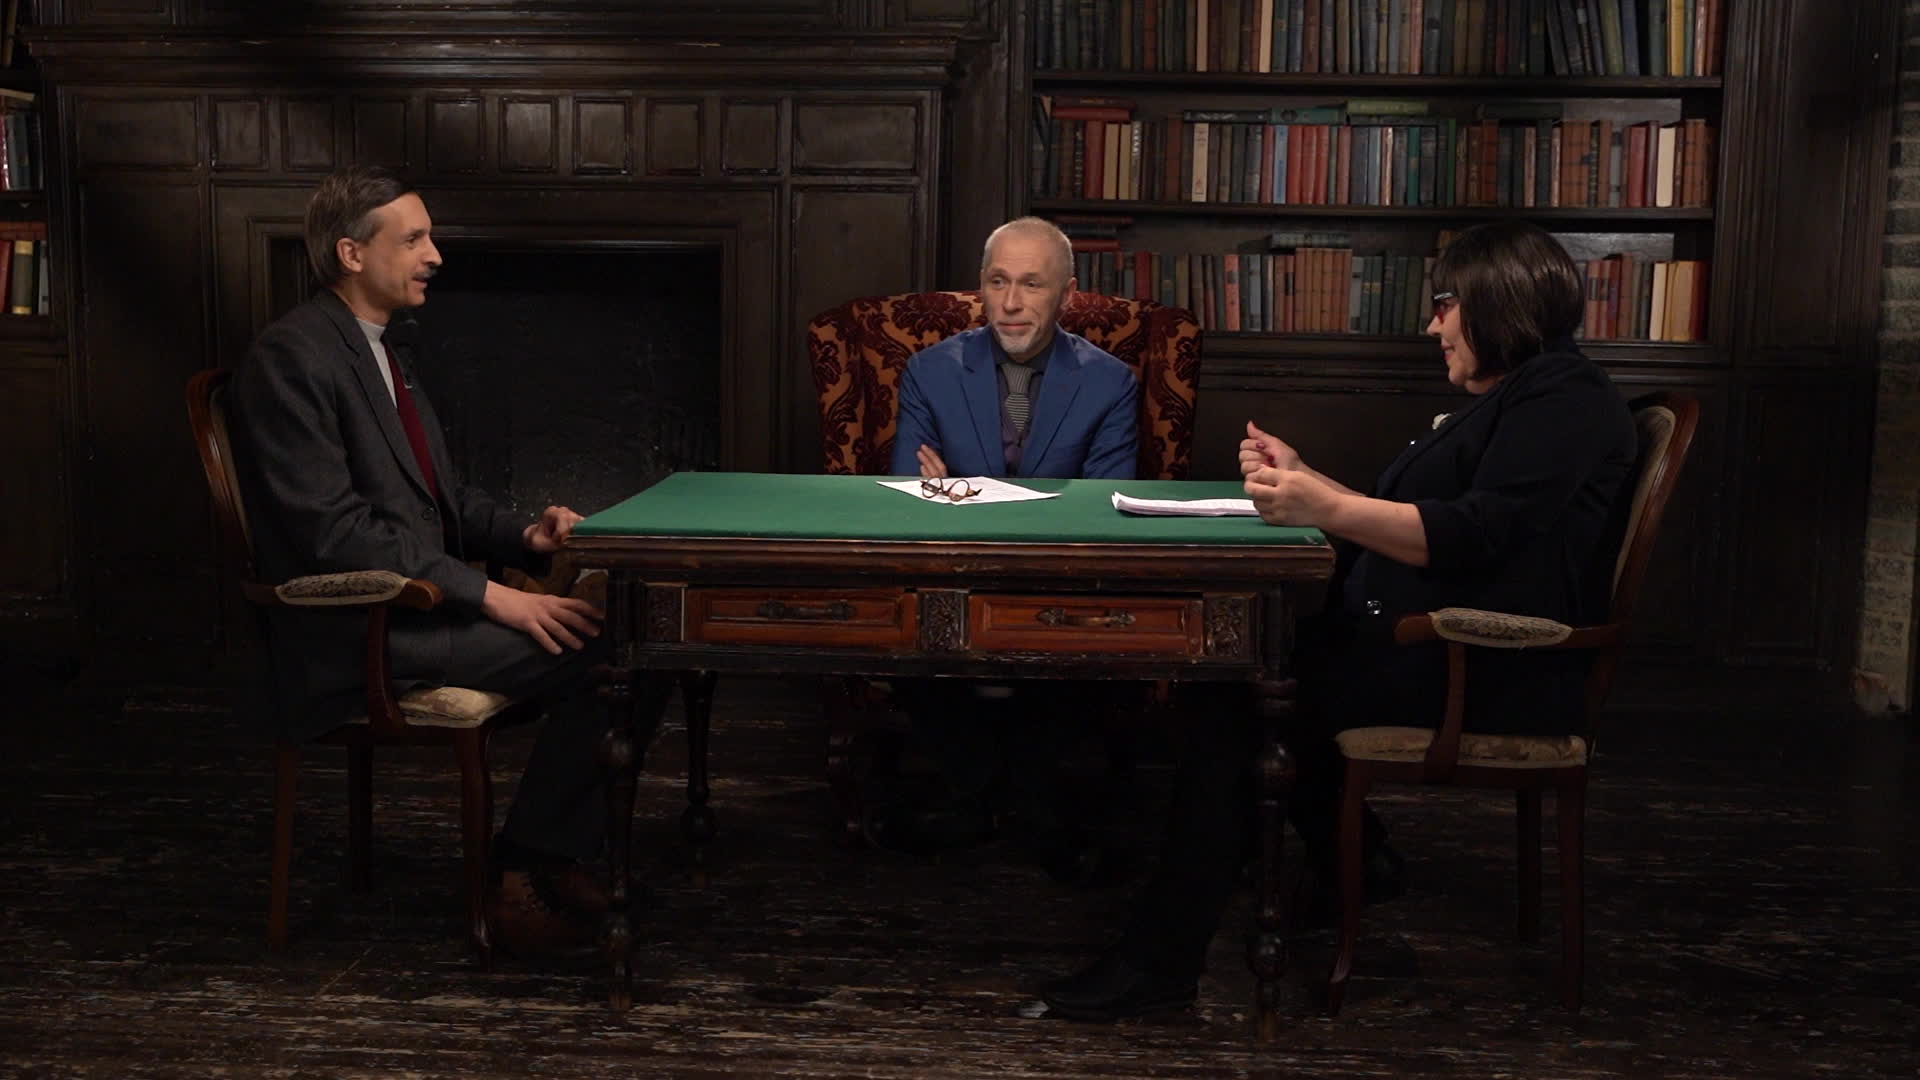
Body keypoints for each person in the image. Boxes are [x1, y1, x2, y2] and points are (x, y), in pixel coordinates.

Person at [1040, 220, 1640, 1021]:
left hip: (1484, 666)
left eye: (1445, 303)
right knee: (1247, 680)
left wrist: (1322, 507)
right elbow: (1425, 516)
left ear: (1497, 302)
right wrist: (1309, 480)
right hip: (1430, 648)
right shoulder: (1526, 395)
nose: (1433, 325)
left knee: (1237, 702)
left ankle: (1159, 962)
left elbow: (1472, 535)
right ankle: (1358, 861)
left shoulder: (1564, 399)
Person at [229, 166, 613, 965]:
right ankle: (524, 874)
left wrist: (525, 538)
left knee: (625, 638)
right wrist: (495, 598)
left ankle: (547, 856)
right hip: (353, 634)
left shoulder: (382, 353)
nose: (434, 255)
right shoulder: (290, 358)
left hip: (414, 611)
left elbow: (443, 502)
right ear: (351, 253)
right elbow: (335, 535)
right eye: (413, 240)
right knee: (606, 654)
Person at [865, 217, 1140, 882]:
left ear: (1066, 295)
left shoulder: (1111, 383)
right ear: (981, 288)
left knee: (1084, 642)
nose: (1012, 303)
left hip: (1060, 579)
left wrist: (962, 488)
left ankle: (992, 804)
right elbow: (912, 493)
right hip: (950, 574)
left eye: (1031, 285)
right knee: (909, 632)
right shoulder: (930, 371)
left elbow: (1102, 509)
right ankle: (1015, 806)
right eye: (998, 282)